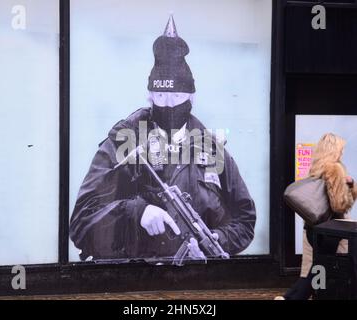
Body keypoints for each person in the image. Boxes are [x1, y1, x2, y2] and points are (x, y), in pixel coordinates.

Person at [69, 15, 256, 262]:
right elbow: (81, 223)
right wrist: (137, 212)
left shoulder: (212, 150)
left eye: (177, 95)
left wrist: (215, 239)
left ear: (192, 98)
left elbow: (244, 220)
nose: (168, 104)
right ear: (149, 96)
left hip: (197, 281)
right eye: (160, 95)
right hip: (133, 282)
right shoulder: (123, 142)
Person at [277, 133, 357, 300]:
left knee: (313, 270)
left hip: (312, 227)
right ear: (335, 150)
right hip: (332, 230)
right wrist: (350, 186)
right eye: (341, 149)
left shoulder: (317, 167)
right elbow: (339, 204)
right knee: (329, 269)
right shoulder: (335, 168)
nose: (342, 152)